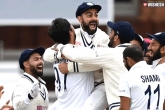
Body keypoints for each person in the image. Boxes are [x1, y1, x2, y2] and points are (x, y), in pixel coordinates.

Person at [44, 2, 110, 110]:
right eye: (89, 15)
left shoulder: (103, 38)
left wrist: (71, 66)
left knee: (87, 108)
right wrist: (64, 53)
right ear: (79, 19)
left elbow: (100, 63)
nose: (94, 18)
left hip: (100, 85)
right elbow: (47, 55)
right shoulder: (73, 33)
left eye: (96, 15)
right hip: (81, 87)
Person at [45, 18, 94, 110]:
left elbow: (45, 55)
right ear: (71, 32)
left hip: (61, 106)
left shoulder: (55, 51)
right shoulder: (81, 52)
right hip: (78, 107)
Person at [119, 45, 165, 110]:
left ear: (128, 60)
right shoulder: (159, 74)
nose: (124, 64)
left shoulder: (127, 77)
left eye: (124, 61)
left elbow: (124, 108)